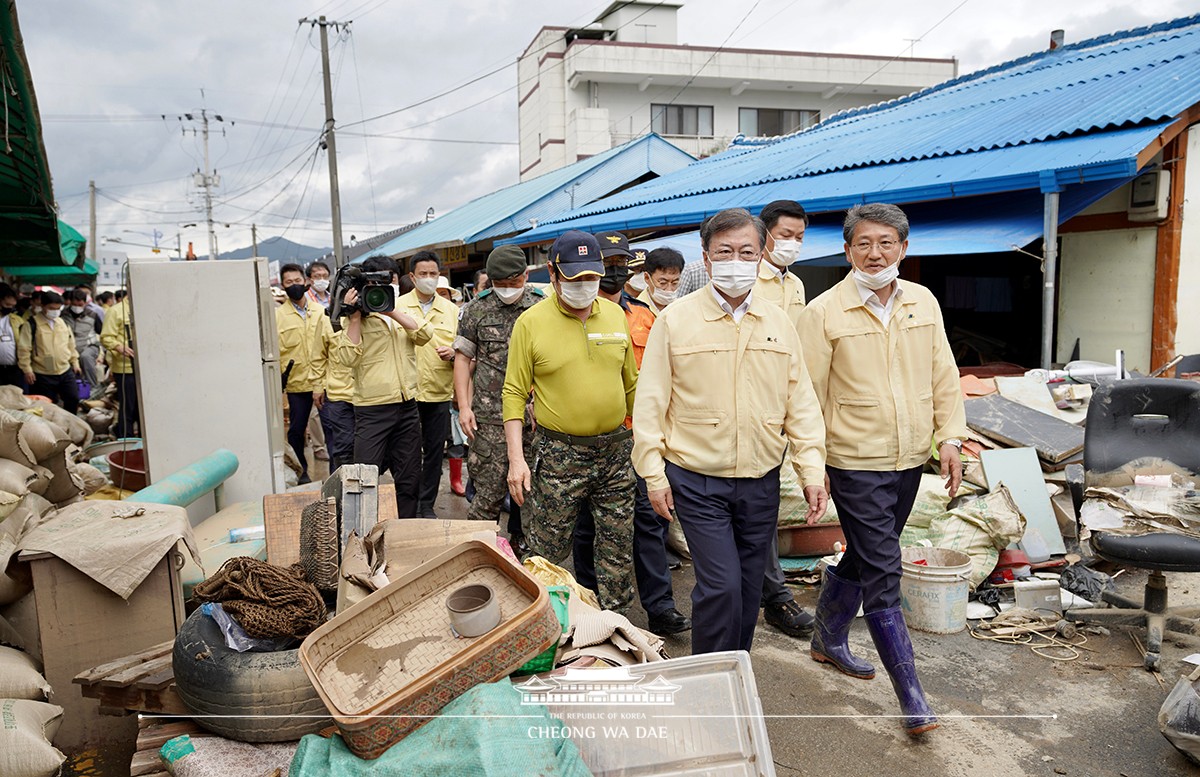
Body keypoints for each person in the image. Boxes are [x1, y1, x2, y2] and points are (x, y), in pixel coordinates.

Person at [799, 202, 967, 736]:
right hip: (853, 459)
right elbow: (807, 395)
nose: (876, 253)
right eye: (864, 244)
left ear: (903, 247)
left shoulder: (923, 301)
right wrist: (813, 462)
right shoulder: (824, 313)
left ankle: (827, 637)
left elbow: (944, 372)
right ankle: (912, 695)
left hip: (909, 456)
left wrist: (950, 438)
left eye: (886, 242)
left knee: (870, 553)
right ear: (847, 251)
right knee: (884, 568)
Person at [632, 208, 828, 655]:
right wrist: (653, 473)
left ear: (762, 256)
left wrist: (811, 470)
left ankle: (733, 671)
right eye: (725, 251)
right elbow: (651, 402)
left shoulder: (778, 322)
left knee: (744, 589)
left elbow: (801, 402)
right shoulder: (675, 320)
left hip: (761, 479)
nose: (736, 260)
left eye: (747, 251)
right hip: (697, 478)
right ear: (706, 256)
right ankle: (708, 683)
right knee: (720, 586)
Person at [503, 230, 638, 612]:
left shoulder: (614, 314)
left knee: (617, 546)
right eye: (575, 278)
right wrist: (517, 460)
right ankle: (545, 623)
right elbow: (513, 393)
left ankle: (615, 625)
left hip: (615, 451)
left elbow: (632, 384)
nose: (585, 286)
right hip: (560, 454)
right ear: (552, 272)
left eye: (592, 278)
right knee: (547, 549)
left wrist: (645, 443)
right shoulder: (531, 323)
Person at [576, 230, 690, 636]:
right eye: (607, 263)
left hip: (637, 438)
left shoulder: (645, 316)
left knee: (649, 521)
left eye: (622, 264)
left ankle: (660, 607)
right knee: (588, 525)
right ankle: (588, 604)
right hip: (590, 439)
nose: (615, 270)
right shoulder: (574, 314)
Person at [752, 199, 819, 640]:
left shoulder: (795, 284)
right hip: (745, 407)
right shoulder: (742, 278)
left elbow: (800, 350)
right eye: (785, 235)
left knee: (763, 505)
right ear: (765, 235)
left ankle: (768, 592)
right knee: (752, 507)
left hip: (782, 408)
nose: (792, 244)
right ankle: (773, 596)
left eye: (799, 236)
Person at [333, 255, 433, 518]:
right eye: (375, 281)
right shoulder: (356, 317)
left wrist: (391, 311)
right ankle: (362, 533)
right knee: (365, 478)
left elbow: (425, 334)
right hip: (372, 410)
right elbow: (346, 358)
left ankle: (407, 529)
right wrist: (354, 318)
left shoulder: (401, 310)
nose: (382, 286)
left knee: (410, 477)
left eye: (388, 280)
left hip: (407, 407)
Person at [455, 246, 544, 538]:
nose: (506, 290)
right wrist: (464, 407)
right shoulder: (477, 309)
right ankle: (477, 555)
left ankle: (527, 562)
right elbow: (463, 358)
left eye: (513, 283)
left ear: (526, 276)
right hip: (488, 419)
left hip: (533, 418)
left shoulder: (541, 307)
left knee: (532, 499)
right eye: (499, 284)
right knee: (486, 497)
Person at [397, 251, 458, 518]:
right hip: (405, 393)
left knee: (434, 453)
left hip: (438, 391)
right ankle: (407, 505)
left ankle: (426, 504)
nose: (429, 279)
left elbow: (464, 349)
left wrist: (454, 354)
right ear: (412, 276)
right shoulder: (396, 307)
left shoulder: (451, 310)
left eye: (433, 274)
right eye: (423, 274)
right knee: (407, 454)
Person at [277, 263, 331, 485]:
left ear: (305, 282)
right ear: (283, 286)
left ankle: (338, 472)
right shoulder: (278, 316)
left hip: (324, 381)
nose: (294, 286)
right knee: (297, 431)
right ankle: (302, 472)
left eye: (297, 281)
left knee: (333, 428)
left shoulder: (320, 311)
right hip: (297, 384)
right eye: (289, 282)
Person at [19, 291, 82, 413]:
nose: (55, 311)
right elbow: (24, 349)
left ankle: (71, 427)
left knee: (73, 399)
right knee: (46, 407)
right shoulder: (31, 324)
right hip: (42, 373)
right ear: (42, 306)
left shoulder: (63, 322)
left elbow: (70, 345)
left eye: (58, 308)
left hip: (65, 370)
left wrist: (75, 362)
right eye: (51, 308)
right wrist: (27, 370)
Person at [100, 291, 138, 437]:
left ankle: (140, 438)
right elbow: (106, 337)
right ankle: (125, 439)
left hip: (146, 369)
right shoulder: (115, 311)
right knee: (128, 406)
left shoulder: (146, 308)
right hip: (125, 368)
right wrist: (119, 346)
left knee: (141, 409)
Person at [63, 288, 103, 398]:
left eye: (80, 304)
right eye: (74, 303)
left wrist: (101, 353)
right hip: (69, 347)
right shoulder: (63, 315)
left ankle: (94, 388)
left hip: (89, 346)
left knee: (85, 357)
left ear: (85, 303)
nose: (77, 307)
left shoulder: (92, 315)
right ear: (70, 302)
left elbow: (102, 333)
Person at [636, 247, 685, 316]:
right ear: (647, 278)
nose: (669, 290)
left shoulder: (683, 308)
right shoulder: (635, 311)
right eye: (663, 283)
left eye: (674, 283)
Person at [0, 284, 27, 390]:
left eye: (12, 306)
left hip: (15, 370)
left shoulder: (17, 320)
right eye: (7, 304)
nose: (10, 308)